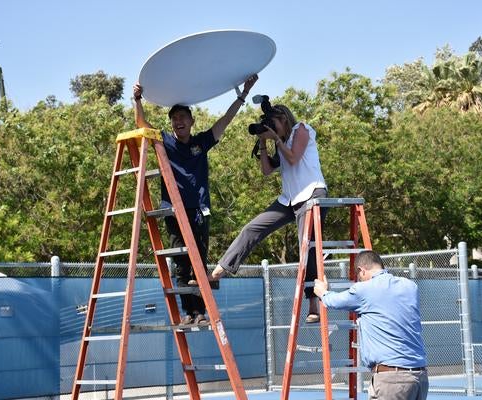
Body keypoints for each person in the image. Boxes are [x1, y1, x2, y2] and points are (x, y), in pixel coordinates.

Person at [132, 74, 258, 325]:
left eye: (182, 118)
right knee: (180, 264)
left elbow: (225, 121)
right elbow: (141, 124)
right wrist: (137, 100)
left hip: (199, 210)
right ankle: (188, 313)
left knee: (198, 263)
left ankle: (201, 311)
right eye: (174, 119)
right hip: (173, 211)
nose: (178, 122)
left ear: (191, 121)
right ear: (171, 124)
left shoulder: (201, 142)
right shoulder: (164, 141)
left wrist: (243, 94)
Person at [210, 102, 328, 323]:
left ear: (283, 119)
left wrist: (276, 139)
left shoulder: (301, 129)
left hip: (312, 195)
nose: (272, 129)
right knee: (252, 228)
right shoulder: (279, 143)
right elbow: (266, 170)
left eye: (273, 124)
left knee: (308, 249)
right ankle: (219, 271)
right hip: (290, 199)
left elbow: (293, 158)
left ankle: (313, 302)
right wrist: (264, 142)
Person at [313, 250, 428, 400]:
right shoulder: (409, 286)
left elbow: (334, 301)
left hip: (392, 379)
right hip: (420, 376)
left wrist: (323, 292)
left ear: (361, 271)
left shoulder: (364, 289)